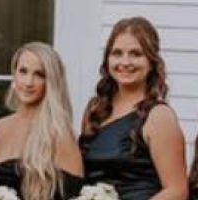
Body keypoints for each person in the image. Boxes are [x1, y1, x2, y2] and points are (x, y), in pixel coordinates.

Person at [80, 16, 188, 200]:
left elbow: (176, 191)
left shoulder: (158, 116)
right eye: (117, 53)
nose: (125, 62)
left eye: (136, 54)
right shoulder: (95, 110)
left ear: (152, 61)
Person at [0, 42, 84, 200]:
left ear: (51, 82)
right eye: (23, 71)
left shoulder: (60, 133)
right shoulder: (1, 127)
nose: (28, 82)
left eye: (39, 75)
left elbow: (76, 195)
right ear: (14, 74)